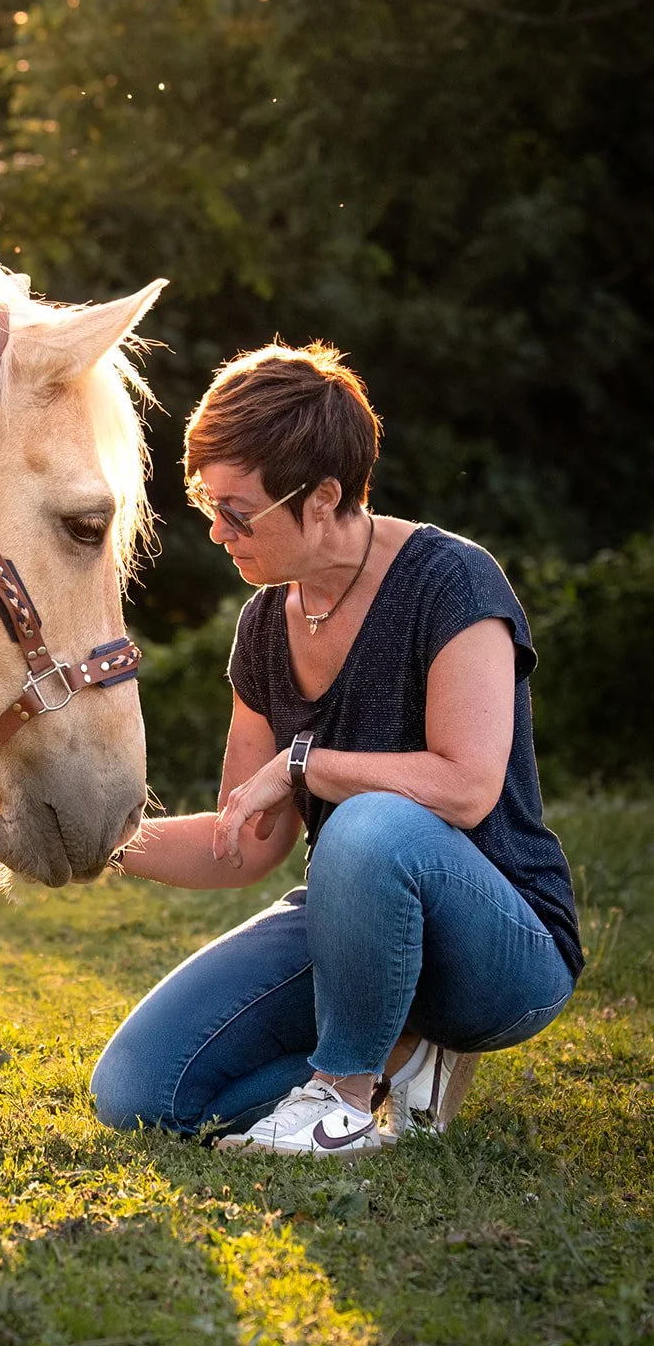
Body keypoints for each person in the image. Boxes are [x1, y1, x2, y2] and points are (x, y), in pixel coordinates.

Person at [91, 341, 582, 1160]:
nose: (215, 533)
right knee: (139, 1094)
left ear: (322, 498)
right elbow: (244, 844)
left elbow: (465, 789)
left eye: (237, 511)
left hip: (503, 948)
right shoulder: (261, 629)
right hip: (358, 936)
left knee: (367, 825)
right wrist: (92, 842)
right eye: (206, 504)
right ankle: (393, 1057)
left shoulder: (451, 583)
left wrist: (303, 766)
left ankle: (342, 1102)